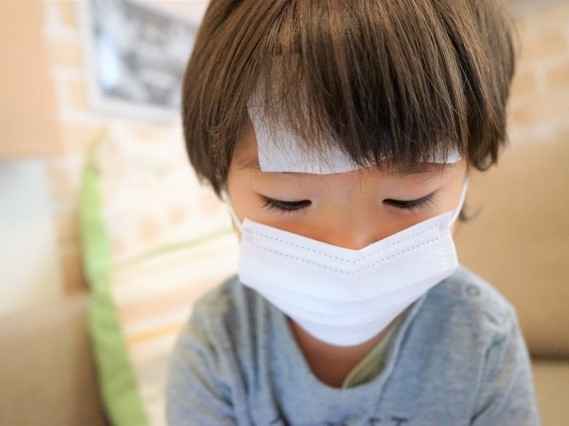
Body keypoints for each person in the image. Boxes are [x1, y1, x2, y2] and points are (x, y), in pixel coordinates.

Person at [166, 1, 541, 424]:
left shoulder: (483, 336)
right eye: (288, 201)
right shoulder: (218, 343)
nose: (351, 249)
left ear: (467, 176)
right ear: (222, 184)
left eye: (406, 199)